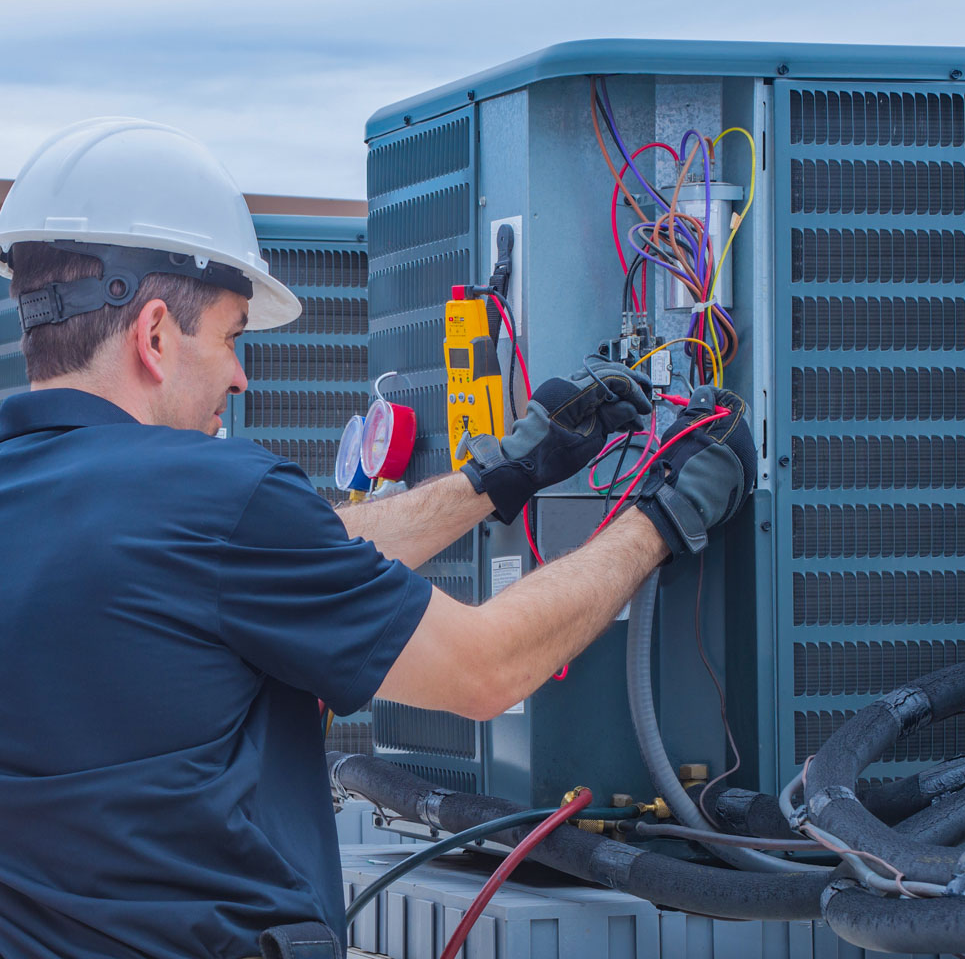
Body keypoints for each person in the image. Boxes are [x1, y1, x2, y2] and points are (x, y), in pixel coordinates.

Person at [0, 118, 754, 959]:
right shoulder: (219, 499)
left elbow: (299, 557)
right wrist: (661, 518)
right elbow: (484, 668)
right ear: (152, 335)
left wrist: (498, 477)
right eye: (231, 336)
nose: (241, 374)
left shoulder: (71, 505)